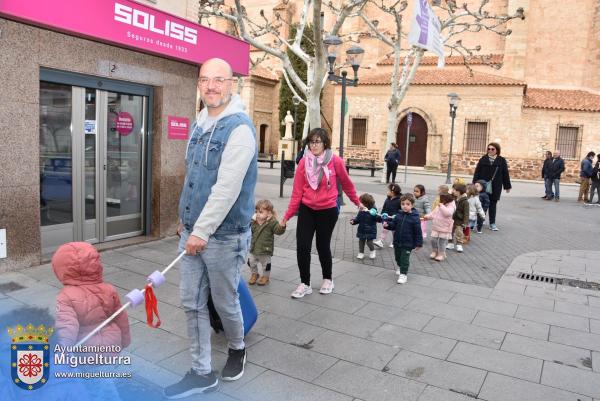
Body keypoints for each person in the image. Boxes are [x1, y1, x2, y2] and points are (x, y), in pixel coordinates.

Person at [167, 58, 257, 398]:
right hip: (193, 229)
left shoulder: (240, 129)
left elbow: (226, 188)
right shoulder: (200, 122)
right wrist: (184, 218)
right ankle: (201, 371)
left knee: (224, 300)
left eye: (218, 80)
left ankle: (237, 346)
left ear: (232, 83)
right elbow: (193, 176)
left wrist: (200, 231)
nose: (211, 86)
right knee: (191, 302)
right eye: (205, 79)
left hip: (225, 236)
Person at [282, 128, 360, 298]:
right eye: (311, 141)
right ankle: (305, 283)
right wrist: (287, 216)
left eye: (317, 141)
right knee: (302, 246)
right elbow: (297, 192)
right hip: (307, 209)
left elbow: (347, 184)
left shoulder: (335, 161)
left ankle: (328, 279)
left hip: (328, 210)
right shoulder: (304, 162)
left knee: (322, 245)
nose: (314, 145)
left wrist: (358, 203)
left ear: (325, 143)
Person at [52, 242, 131, 348]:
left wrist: (62, 350)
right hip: (112, 344)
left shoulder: (65, 297)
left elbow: (66, 326)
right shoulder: (109, 290)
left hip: (85, 349)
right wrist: (125, 340)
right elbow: (121, 317)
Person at [381, 194, 423, 283]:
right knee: (398, 257)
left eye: (407, 204)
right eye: (403, 204)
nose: (405, 206)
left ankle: (403, 274)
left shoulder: (415, 218)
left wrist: (419, 243)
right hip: (397, 241)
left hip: (408, 243)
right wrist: (387, 225)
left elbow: (418, 232)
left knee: (404, 259)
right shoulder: (398, 215)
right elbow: (394, 225)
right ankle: (400, 266)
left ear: (412, 205)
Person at [473, 142, 511, 231]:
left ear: (497, 150)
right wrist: (474, 184)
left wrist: (507, 186)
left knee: (493, 204)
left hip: (496, 186)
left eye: (492, 149)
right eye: (489, 149)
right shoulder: (483, 159)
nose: (490, 150)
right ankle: (480, 221)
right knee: (482, 204)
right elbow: (477, 172)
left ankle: (492, 223)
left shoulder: (501, 160)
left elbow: (505, 174)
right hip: (483, 186)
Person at [248, 199, 286, 286]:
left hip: (265, 249)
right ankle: (255, 274)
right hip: (254, 248)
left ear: (268, 213)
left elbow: (278, 231)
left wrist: (282, 226)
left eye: (260, 212)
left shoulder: (272, 222)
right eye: (256, 211)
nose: (257, 214)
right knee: (251, 262)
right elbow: (248, 230)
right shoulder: (254, 222)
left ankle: (265, 276)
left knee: (266, 265)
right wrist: (250, 221)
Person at [423, 193, 456, 262]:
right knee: (433, 240)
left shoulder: (451, 206)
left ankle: (441, 254)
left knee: (442, 242)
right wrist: (427, 216)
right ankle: (434, 251)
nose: (440, 200)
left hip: (445, 228)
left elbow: (448, 213)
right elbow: (433, 213)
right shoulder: (440, 205)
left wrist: (441, 206)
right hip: (436, 226)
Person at [350, 193, 378, 259]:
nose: (359, 204)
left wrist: (377, 216)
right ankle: (361, 252)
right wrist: (353, 221)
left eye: (361, 202)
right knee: (361, 241)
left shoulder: (373, 211)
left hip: (370, 230)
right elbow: (358, 218)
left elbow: (378, 219)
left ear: (366, 203)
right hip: (362, 229)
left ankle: (372, 251)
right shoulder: (361, 211)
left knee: (369, 242)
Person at [373, 183, 402, 248]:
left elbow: (401, 210)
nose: (387, 192)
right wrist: (382, 215)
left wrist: (397, 215)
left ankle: (394, 242)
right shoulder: (387, 199)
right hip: (387, 217)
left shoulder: (400, 200)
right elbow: (384, 208)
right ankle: (380, 241)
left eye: (388, 190)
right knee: (385, 229)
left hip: (395, 219)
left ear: (392, 192)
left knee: (394, 231)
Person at [446, 183, 469, 253]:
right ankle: (450, 243)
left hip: (460, 220)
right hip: (452, 218)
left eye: (455, 190)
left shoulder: (465, 202)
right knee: (450, 231)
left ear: (459, 192)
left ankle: (459, 244)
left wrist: (465, 222)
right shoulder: (454, 198)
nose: (453, 191)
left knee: (459, 232)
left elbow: (466, 213)